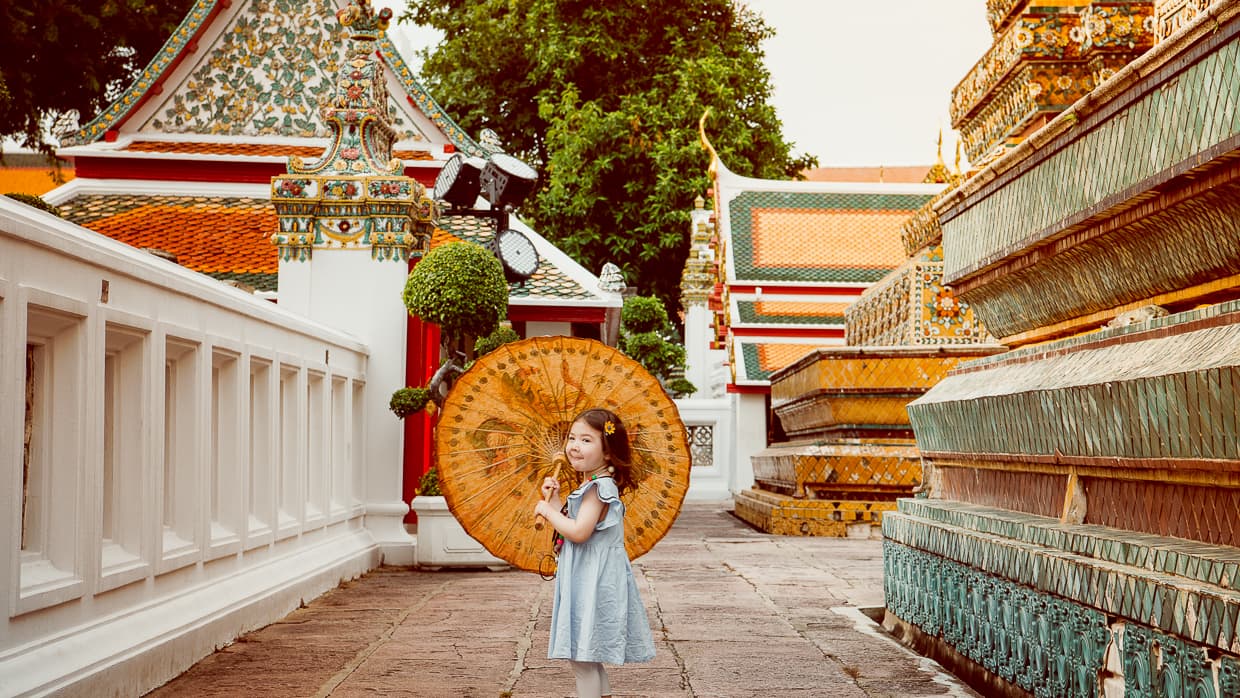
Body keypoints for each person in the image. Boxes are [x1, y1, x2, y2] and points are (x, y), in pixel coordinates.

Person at [533, 408, 656, 698]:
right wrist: (556, 500)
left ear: (609, 452)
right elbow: (575, 525)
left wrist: (546, 512)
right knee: (588, 654)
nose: (574, 446)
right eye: (572, 438)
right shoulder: (592, 485)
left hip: (593, 582)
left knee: (582, 658)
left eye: (587, 440)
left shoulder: (598, 489)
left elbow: (578, 532)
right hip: (590, 578)